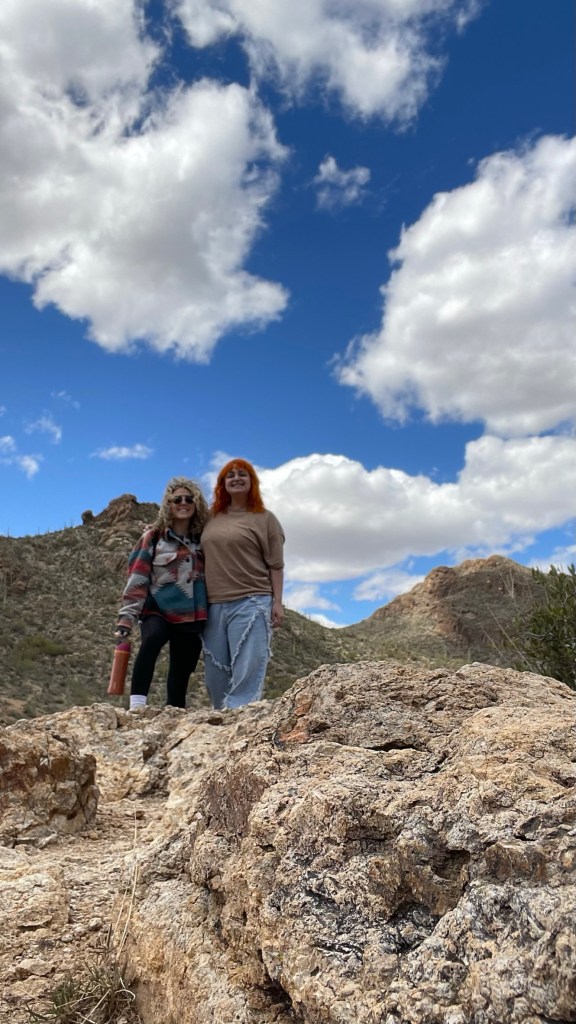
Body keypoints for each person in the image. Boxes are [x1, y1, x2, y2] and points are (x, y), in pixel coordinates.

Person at [115, 477, 209, 710]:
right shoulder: (153, 537)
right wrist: (126, 618)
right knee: (152, 638)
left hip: (192, 613)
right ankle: (137, 706)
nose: (183, 503)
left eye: (189, 499)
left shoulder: (205, 540)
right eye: (177, 499)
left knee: (182, 666)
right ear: (168, 504)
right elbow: (137, 577)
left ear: (197, 504)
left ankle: (174, 713)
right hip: (158, 607)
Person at [201, 458, 285, 710]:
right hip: (213, 604)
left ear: (252, 481)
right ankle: (220, 717)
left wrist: (278, 602)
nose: (236, 479)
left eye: (242, 474)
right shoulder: (210, 518)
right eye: (230, 475)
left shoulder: (265, 519)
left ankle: (240, 719)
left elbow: (276, 565)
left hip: (252, 600)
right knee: (215, 673)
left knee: (248, 667)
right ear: (222, 484)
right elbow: (181, 530)